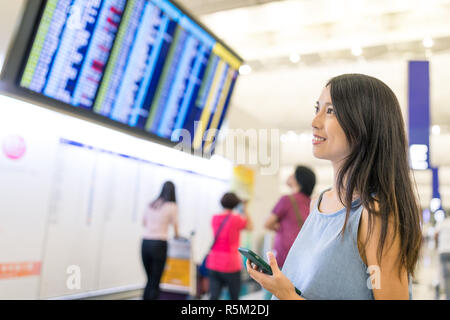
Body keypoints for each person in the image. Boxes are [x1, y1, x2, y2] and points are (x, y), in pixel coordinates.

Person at [246, 73, 423, 300]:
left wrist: (289, 297)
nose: (314, 121)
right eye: (317, 108)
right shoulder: (319, 203)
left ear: (363, 125)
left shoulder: (376, 214)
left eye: (330, 111)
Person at [264, 166, 316, 268]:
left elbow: (267, 224)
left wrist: (279, 227)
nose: (289, 176)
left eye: (293, 174)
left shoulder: (287, 200)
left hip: (285, 255)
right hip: (304, 256)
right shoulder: (312, 203)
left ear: (298, 179)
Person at [206, 192, 253, 300]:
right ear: (236, 204)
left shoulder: (214, 218)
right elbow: (250, 227)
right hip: (230, 264)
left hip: (214, 262)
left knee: (213, 297)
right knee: (234, 297)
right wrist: (244, 208)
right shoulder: (236, 219)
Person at [141, 181, 179, 300]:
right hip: (159, 244)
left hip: (145, 243)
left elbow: (144, 222)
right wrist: (177, 236)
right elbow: (176, 226)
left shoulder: (151, 204)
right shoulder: (172, 206)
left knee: (149, 279)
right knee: (155, 280)